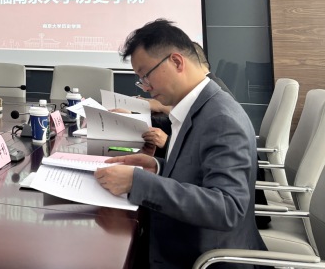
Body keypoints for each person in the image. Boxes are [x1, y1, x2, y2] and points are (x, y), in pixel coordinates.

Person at [94, 19, 265, 269]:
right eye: (140, 79)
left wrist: (138, 182)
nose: (146, 87)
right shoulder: (199, 106)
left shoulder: (221, 119)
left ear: (176, 62)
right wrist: (158, 167)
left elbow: (228, 208)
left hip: (202, 258)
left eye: (146, 75)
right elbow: (198, 174)